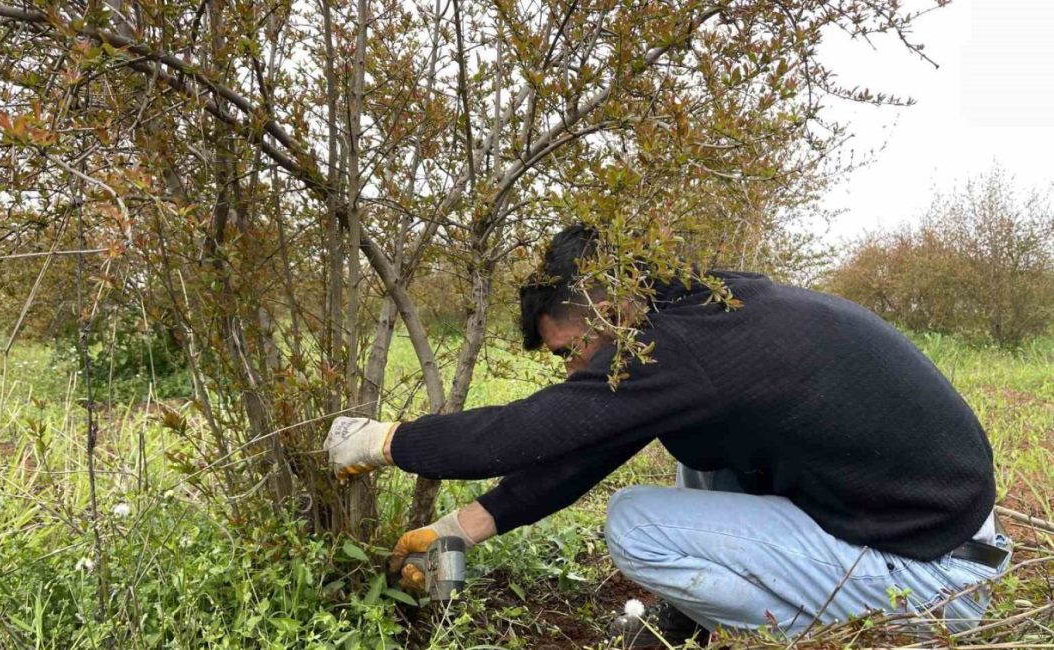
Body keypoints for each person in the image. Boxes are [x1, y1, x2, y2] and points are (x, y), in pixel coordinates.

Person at [323, 224, 1010, 645]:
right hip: (934, 533)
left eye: (569, 352)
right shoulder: (705, 311)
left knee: (635, 521)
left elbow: (515, 435)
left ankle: (793, 636)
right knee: (700, 456)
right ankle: (696, 622)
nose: (573, 372)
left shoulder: (682, 346)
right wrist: (460, 530)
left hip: (927, 581)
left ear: (604, 303)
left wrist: (381, 440)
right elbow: (592, 444)